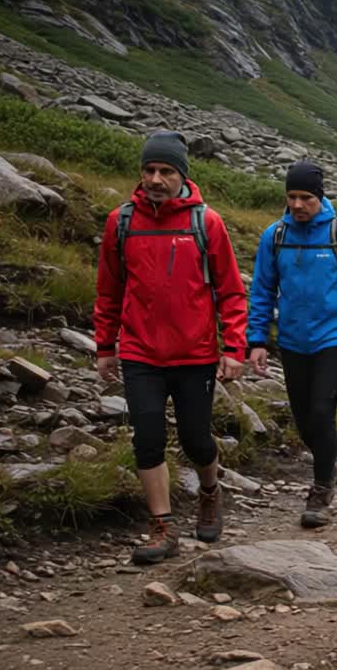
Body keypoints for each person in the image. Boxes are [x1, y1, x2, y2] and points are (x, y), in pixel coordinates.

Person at [93, 132, 248, 565]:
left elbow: (231, 291)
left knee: (197, 440)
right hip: (139, 352)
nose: (156, 180)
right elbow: (108, 289)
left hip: (194, 354)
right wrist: (105, 345)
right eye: (149, 170)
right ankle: (162, 527)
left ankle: (210, 492)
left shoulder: (206, 223)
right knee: (147, 439)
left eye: (166, 171)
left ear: (182, 175)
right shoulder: (121, 221)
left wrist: (233, 348)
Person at [247, 161, 337, 529]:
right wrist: (257, 340)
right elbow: (262, 290)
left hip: (333, 338)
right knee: (303, 419)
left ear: (320, 197)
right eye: (292, 197)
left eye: (306, 197)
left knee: (321, 411)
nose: (298, 205)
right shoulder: (274, 236)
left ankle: (321, 491)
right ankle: (326, 460)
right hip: (292, 340)